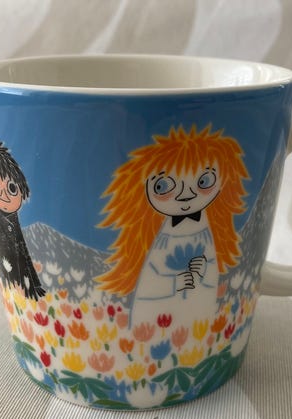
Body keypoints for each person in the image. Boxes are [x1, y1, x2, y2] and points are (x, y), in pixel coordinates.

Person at [97, 125, 249, 329]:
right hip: (154, 321)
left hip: (198, 318)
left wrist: (201, 272)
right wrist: (176, 284)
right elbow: (150, 280)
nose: (187, 196)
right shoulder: (160, 238)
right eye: (163, 187)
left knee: (199, 324)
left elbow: (211, 271)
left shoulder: (208, 232)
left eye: (204, 182)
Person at [0, 136, 45, 300]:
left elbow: (24, 258)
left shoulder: (14, 225)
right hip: (19, 297)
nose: (3, 194)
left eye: (12, 188)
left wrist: (35, 287)